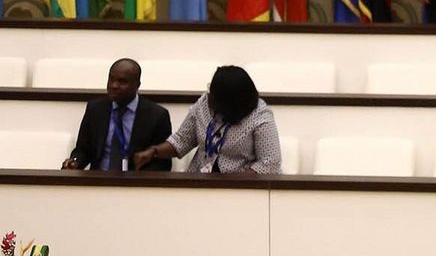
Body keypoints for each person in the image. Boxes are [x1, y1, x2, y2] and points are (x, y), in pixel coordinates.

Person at [130, 66, 282, 175]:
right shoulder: (204, 103)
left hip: (240, 188)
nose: (209, 96)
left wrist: (231, 184)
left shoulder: (259, 116)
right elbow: (181, 140)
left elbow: (269, 164)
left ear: (230, 99)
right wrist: (154, 151)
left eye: (215, 94)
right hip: (199, 181)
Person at [62, 59, 172, 171]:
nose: (114, 85)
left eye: (122, 81)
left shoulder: (157, 115)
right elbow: (83, 150)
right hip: (98, 177)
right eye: (111, 79)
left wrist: (138, 178)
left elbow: (163, 163)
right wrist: (74, 162)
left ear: (137, 85)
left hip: (136, 179)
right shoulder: (96, 109)